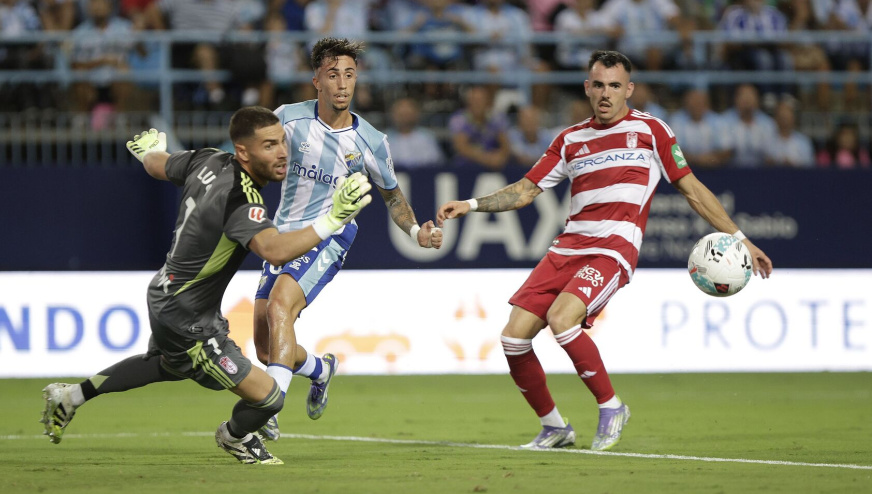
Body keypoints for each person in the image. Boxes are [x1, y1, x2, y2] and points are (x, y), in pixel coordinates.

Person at [436, 50, 773, 451]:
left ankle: (611, 405)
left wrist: (741, 238)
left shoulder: (652, 132)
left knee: (563, 318)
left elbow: (693, 190)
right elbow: (526, 190)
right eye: (598, 85)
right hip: (567, 247)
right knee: (513, 337)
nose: (606, 94)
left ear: (629, 89)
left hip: (613, 248)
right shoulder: (569, 139)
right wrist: (470, 205)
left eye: (615, 85)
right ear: (587, 88)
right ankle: (554, 428)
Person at [39, 106, 374, 465]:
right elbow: (275, 251)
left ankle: (71, 396)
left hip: (167, 294)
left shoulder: (207, 159)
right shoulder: (243, 201)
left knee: (165, 365)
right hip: (188, 317)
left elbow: (158, 165)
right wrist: (332, 219)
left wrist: (149, 151)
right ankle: (234, 437)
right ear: (243, 152)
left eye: (282, 142)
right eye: (269, 146)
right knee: (269, 398)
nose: (282, 153)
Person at [252, 37, 444, 442]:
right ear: (316, 81)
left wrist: (415, 231)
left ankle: (267, 408)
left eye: (350, 75)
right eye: (333, 74)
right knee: (265, 348)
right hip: (282, 235)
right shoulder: (287, 118)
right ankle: (320, 370)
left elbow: (393, 196)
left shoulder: (371, 141)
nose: (342, 83)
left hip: (331, 236)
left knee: (280, 306)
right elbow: (254, 151)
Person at [765, 100, 815, 168]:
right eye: (782, 117)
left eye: (787, 117)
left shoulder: (804, 142)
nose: (784, 121)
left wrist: (794, 164)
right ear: (776, 119)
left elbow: (810, 165)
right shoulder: (767, 142)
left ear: (793, 118)